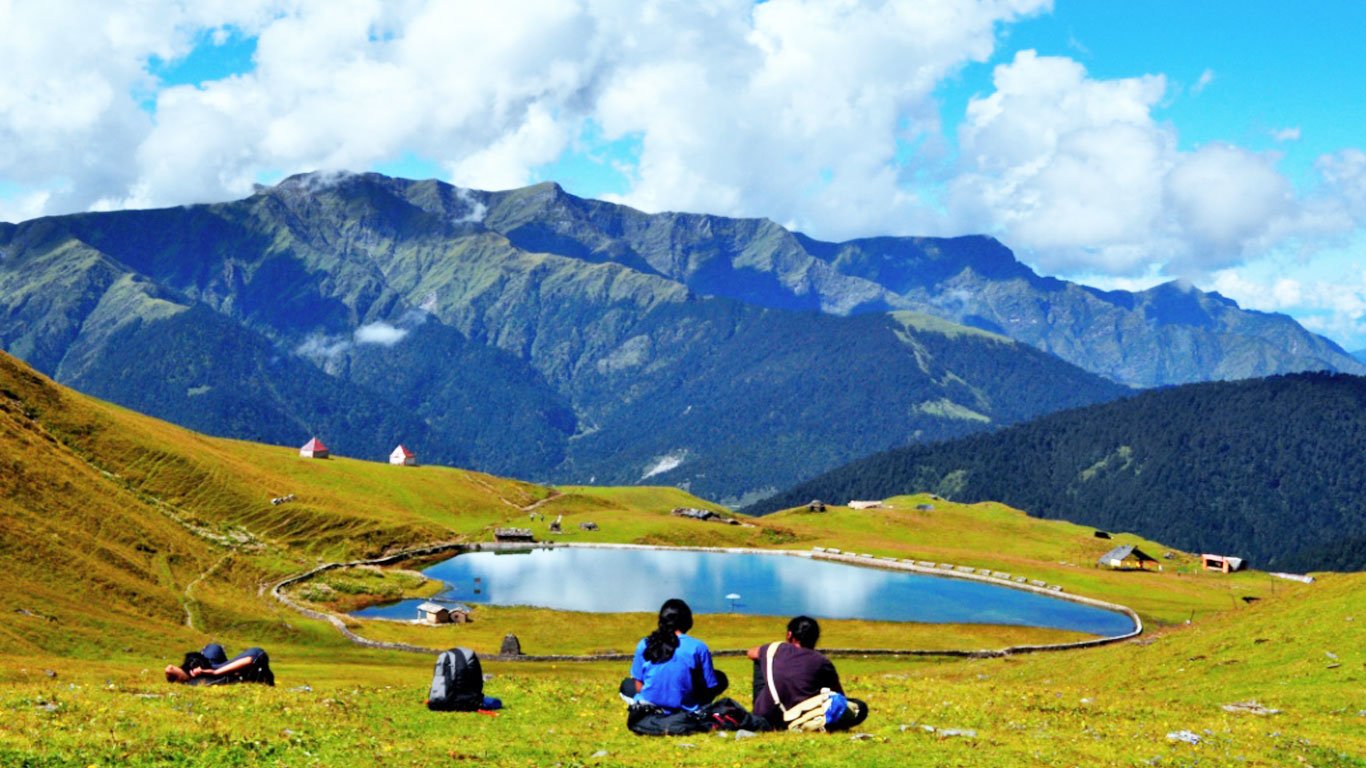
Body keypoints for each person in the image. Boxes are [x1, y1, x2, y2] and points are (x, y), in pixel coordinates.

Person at [746, 616, 868, 731]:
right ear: (815, 639)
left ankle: (761, 709)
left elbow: (751, 653)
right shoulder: (822, 662)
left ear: (789, 635)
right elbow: (838, 696)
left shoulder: (773, 649)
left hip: (765, 716)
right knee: (859, 707)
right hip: (801, 718)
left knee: (761, 659)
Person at [620, 598, 728, 712]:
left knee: (627, 684)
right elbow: (709, 685)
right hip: (686, 707)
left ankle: (645, 704)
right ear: (687, 621)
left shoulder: (645, 643)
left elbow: (638, 682)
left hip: (648, 705)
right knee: (720, 678)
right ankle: (697, 708)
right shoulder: (698, 647)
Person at [164, 643, 275, 686]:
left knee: (213, 653)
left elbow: (249, 660)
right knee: (213, 647)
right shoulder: (258, 655)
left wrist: (215, 672)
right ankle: (191, 672)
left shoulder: (257, 657)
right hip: (219, 667)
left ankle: (188, 677)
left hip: (217, 670)